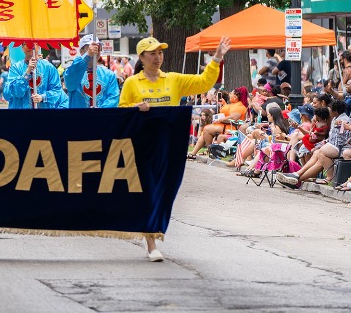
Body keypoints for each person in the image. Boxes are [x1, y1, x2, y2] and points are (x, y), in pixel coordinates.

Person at [119, 35, 231, 263]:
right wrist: (135, 107)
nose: (157, 57)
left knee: (164, 192)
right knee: (148, 192)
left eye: (160, 52)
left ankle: (153, 229)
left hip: (169, 145)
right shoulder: (132, 84)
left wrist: (217, 58)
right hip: (143, 146)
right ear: (141, 57)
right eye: (152, 53)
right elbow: (121, 111)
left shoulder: (173, 80)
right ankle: (151, 243)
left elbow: (203, 83)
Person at [63, 35, 120, 109]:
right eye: (90, 49)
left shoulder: (109, 75)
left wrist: (99, 111)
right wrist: (87, 56)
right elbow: (70, 84)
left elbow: (113, 99)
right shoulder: (73, 72)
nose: (95, 52)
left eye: (97, 50)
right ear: (81, 51)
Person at [3, 44, 63, 109]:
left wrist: (43, 97)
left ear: (39, 46)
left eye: (35, 43)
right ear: (22, 47)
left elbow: (57, 90)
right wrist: (27, 72)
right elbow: (13, 93)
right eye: (27, 43)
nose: (31, 46)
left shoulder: (48, 67)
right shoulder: (15, 68)